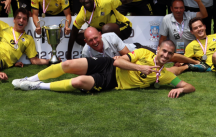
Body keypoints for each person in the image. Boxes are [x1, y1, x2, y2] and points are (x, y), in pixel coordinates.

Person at [12, 41, 195, 99]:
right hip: (107, 64)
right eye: (164, 51)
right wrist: (141, 67)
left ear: (171, 57)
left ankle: (37, 86)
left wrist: (180, 88)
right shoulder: (143, 53)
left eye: (169, 54)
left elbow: (190, 87)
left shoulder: (164, 75)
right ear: (159, 49)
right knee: (68, 64)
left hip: (112, 82)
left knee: (78, 82)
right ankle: (32, 78)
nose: (165, 55)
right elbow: (118, 62)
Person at [65, 0, 133, 60]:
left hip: (123, 27)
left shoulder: (105, 2)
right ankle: (101, 54)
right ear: (79, 0)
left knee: (106, 29)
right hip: (103, 31)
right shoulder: (82, 14)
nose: (86, 0)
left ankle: (116, 50)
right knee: (80, 37)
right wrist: (69, 55)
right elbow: (73, 34)